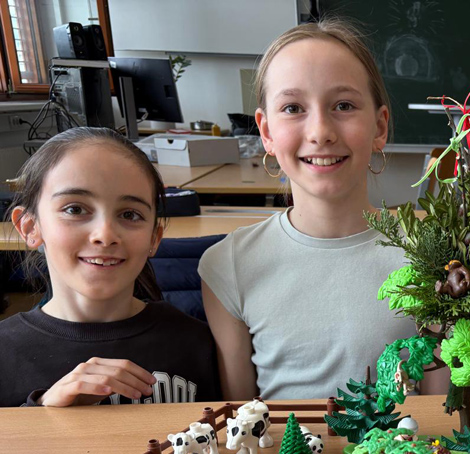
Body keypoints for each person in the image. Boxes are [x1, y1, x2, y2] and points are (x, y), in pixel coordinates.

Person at [198, 20, 416, 401]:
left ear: (379, 127)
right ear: (266, 132)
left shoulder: (431, 257)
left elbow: (440, 411)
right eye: (293, 108)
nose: (320, 132)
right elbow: (242, 416)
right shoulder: (228, 266)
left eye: (343, 105)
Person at [0, 127, 219, 407]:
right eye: (75, 209)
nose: (105, 234)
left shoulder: (198, 343)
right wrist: (43, 409)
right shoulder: (5, 352)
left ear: (154, 239)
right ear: (30, 227)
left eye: (130, 214)